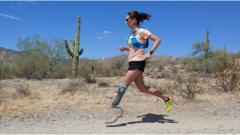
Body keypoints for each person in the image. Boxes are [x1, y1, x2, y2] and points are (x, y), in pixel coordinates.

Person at [111, 11, 172, 112]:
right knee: (142, 89)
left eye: (127, 20)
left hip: (138, 62)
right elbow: (136, 47)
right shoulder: (132, 33)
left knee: (122, 86)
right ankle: (166, 98)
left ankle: (113, 105)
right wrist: (126, 49)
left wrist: (150, 53)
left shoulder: (142, 31)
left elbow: (157, 39)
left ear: (134, 20)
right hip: (132, 62)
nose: (125, 22)